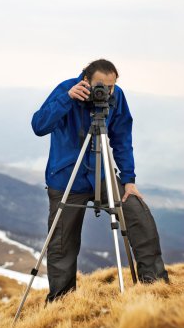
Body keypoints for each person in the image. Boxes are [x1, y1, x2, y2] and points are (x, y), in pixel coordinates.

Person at [31, 59, 169, 304]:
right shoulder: (67, 89)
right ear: (85, 80)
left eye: (112, 86)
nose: (106, 91)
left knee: (138, 215)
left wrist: (128, 180)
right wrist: (67, 99)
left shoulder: (117, 97)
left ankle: (155, 285)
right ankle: (62, 302)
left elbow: (122, 137)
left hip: (102, 175)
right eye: (101, 86)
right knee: (63, 243)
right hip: (66, 179)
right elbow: (39, 125)